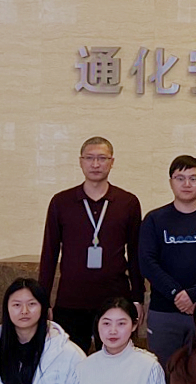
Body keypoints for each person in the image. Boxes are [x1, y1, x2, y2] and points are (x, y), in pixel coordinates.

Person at [39, 136, 145, 352]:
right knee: (70, 361)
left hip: (115, 301)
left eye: (102, 158)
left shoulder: (128, 202)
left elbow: (135, 253)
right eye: (89, 158)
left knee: (114, 361)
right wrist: (43, 299)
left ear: (112, 162)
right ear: (80, 161)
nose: (95, 164)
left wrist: (137, 298)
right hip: (71, 301)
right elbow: (49, 253)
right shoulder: (61, 202)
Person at [139, 154, 196, 367]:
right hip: (164, 311)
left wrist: (193, 295)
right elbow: (147, 262)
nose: (187, 184)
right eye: (180, 178)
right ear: (171, 182)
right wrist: (177, 293)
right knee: (164, 372)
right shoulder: (154, 219)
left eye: (193, 178)